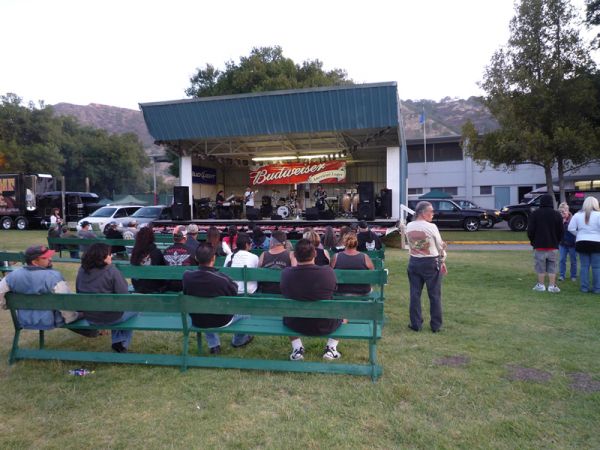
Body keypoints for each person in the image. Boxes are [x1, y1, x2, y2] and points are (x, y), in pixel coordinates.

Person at [183, 242, 253, 354]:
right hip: (222, 320)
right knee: (245, 311)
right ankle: (238, 341)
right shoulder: (223, 279)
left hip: (197, 319)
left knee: (204, 308)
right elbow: (234, 296)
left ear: (196, 258)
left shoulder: (187, 276)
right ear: (213, 258)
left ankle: (214, 345)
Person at [281, 239, 341, 361]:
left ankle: (297, 348)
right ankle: (331, 348)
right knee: (344, 313)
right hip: (325, 323)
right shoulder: (328, 272)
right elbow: (334, 290)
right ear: (315, 254)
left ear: (295, 255)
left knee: (287, 311)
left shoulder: (286, 273)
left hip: (294, 323)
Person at [0, 245, 81, 331]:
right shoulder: (53, 277)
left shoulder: (12, 276)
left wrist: (5, 305)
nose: (50, 259)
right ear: (34, 262)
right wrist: (71, 318)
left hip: (25, 320)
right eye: (45, 258)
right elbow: (64, 302)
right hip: (52, 321)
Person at [76, 243, 136, 352]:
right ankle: (121, 342)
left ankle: (119, 341)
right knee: (135, 306)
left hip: (90, 317)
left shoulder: (82, 271)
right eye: (109, 254)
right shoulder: (112, 271)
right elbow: (125, 297)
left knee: (119, 309)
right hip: (112, 317)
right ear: (102, 256)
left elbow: (78, 291)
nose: (111, 256)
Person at [405, 201, 446, 333]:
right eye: (431, 212)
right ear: (423, 213)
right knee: (434, 295)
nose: (433, 214)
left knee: (415, 294)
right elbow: (440, 247)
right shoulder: (431, 227)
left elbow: (412, 244)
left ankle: (416, 324)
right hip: (430, 263)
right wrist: (443, 259)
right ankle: (436, 325)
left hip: (414, 262)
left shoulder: (409, 226)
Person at [527, 194, 563, 293]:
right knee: (552, 266)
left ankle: (541, 285)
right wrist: (557, 241)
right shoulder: (557, 215)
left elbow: (530, 231)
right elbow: (561, 231)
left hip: (539, 245)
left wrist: (533, 242)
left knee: (540, 266)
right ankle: (552, 286)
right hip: (553, 246)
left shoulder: (535, 214)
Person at [568, 196, 600, 293]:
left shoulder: (578, 215)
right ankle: (597, 288)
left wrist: (580, 235)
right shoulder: (599, 215)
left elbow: (570, 228)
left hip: (582, 242)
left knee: (584, 266)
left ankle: (584, 288)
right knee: (597, 267)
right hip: (596, 242)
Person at [130, 227, 167, 293]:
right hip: (153, 286)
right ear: (152, 237)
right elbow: (163, 271)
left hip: (137, 285)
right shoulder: (156, 252)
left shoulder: (135, 252)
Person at [163, 225, 197, 291]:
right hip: (187, 285)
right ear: (185, 237)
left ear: (173, 238)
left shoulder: (166, 251)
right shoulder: (192, 251)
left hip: (170, 285)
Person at [558, 203, 577, 282]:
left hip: (572, 244)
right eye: (560, 212)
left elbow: (574, 230)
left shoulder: (573, 219)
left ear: (568, 211)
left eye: (563, 212)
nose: (562, 214)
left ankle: (573, 276)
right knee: (562, 259)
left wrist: (565, 223)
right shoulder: (559, 219)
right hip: (562, 243)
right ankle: (562, 275)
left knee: (573, 260)